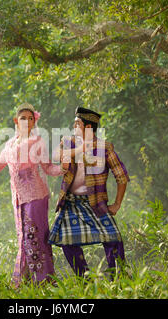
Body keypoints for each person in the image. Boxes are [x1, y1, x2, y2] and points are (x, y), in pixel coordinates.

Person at [0, 103, 67, 288]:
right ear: (16, 121)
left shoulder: (38, 142)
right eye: (23, 118)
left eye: (30, 118)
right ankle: (24, 283)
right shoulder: (9, 145)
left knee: (35, 237)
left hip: (36, 196)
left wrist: (63, 168)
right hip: (18, 200)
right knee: (23, 239)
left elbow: (48, 167)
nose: (27, 121)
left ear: (35, 122)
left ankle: (44, 282)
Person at [48, 107, 130, 279]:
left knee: (113, 239)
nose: (73, 126)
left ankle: (119, 280)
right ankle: (85, 278)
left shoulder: (105, 148)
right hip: (70, 202)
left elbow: (122, 177)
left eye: (77, 123)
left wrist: (117, 204)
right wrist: (79, 150)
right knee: (66, 241)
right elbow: (56, 156)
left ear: (88, 127)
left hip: (95, 203)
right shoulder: (68, 142)